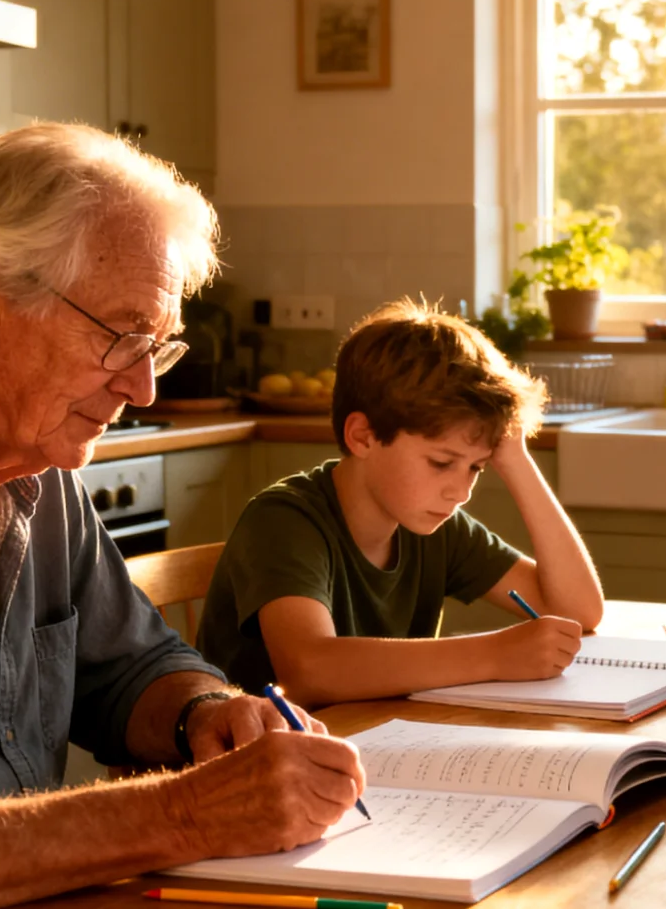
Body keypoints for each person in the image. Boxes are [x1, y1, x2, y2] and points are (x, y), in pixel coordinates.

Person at [0, 123, 366, 909]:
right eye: (120, 335)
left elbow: (127, 666)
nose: (143, 388)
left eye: (158, 344)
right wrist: (185, 813)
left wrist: (206, 712)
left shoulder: (34, 455)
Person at [196, 300, 604, 704]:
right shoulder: (283, 521)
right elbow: (309, 669)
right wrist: (496, 654)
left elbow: (577, 611)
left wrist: (515, 457)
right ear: (363, 436)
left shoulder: (431, 524)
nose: (460, 493)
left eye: (476, 467)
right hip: (257, 760)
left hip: (372, 745)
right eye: (442, 462)